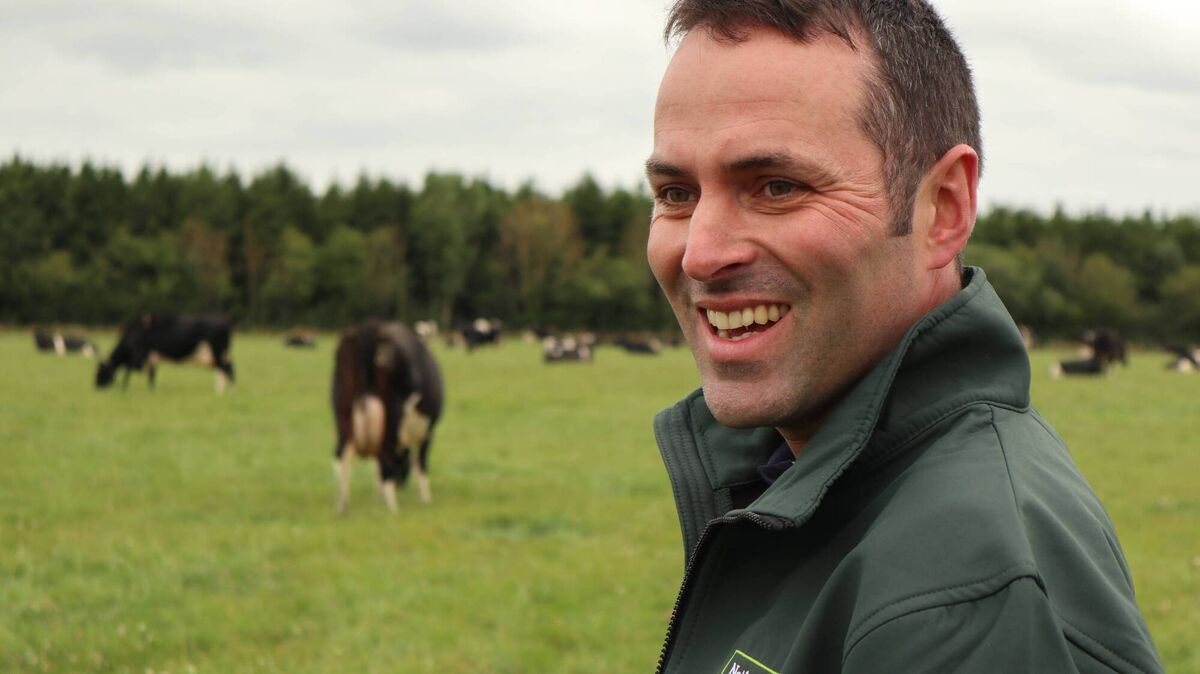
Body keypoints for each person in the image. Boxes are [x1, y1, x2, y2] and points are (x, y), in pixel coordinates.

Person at [643, 1, 1164, 672]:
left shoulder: (964, 594)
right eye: (676, 194)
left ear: (943, 209)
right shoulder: (819, 482)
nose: (700, 255)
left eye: (776, 186)